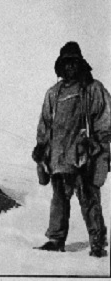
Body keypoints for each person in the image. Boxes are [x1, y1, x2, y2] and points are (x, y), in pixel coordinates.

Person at [32, 41, 111, 258]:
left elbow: (105, 122)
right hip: (58, 157)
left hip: (84, 156)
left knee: (89, 199)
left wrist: (94, 145)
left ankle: (97, 244)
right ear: (60, 66)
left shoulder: (93, 89)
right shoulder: (53, 94)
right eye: (66, 64)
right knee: (59, 199)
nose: (70, 68)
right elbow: (45, 124)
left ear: (81, 64)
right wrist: (41, 147)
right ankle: (56, 240)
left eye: (73, 63)